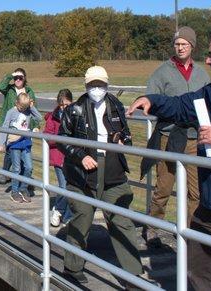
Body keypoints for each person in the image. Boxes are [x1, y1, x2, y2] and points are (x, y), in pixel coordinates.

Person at [127, 27, 211, 291]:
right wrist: (151, 100)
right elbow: (180, 106)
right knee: (197, 271)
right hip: (209, 209)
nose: (208, 60)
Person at [58, 66, 144, 286]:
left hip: (113, 171)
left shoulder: (115, 105)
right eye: (93, 85)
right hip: (82, 173)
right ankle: (72, 267)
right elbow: (63, 139)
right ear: (86, 85)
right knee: (82, 218)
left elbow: (126, 134)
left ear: (107, 84)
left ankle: (133, 276)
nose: (97, 89)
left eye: (101, 85)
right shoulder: (74, 109)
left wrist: (123, 140)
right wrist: (80, 156)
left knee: (121, 220)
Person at [140, 26, 211, 248]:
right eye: (177, 44)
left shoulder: (201, 74)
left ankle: (190, 231)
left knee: (196, 191)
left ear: (192, 46)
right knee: (163, 187)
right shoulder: (162, 72)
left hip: (194, 138)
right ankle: (151, 227)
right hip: (168, 137)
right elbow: (151, 102)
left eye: (185, 44)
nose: (180, 47)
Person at [0, 92, 42, 203]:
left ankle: (23, 188)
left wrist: (31, 108)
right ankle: (14, 191)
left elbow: (39, 118)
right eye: (21, 107)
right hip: (14, 143)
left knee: (29, 167)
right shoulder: (11, 112)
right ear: (16, 103)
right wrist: (1, 143)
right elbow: (5, 126)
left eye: (25, 107)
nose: (23, 109)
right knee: (16, 168)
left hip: (26, 142)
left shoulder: (28, 111)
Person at [0, 68, 38, 184]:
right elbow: (0, 86)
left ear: (25, 78)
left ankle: (20, 177)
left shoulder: (29, 92)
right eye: (16, 78)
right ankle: (5, 173)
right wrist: (11, 75)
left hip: (25, 126)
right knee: (10, 151)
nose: (18, 80)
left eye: (20, 77)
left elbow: (33, 110)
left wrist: (35, 126)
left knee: (24, 150)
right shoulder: (9, 90)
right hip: (11, 126)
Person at [45, 89, 74, 227]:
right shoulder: (53, 117)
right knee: (64, 186)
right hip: (58, 156)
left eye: (67, 105)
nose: (64, 108)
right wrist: (59, 139)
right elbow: (47, 135)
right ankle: (58, 209)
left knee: (72, 186)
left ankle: (67, 216)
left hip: (72, 156)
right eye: (62, 105)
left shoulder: (76, 114)